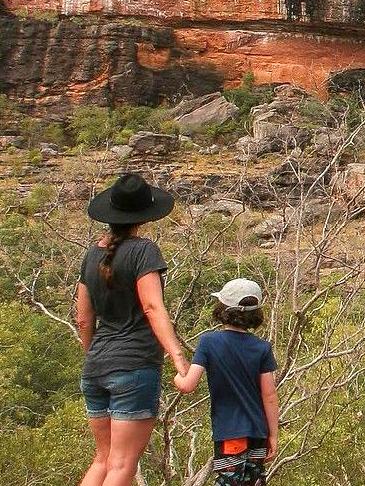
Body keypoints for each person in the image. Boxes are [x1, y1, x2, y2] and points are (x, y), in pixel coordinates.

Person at [76, 173, 189, 486]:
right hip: (134, 365)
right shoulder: (144, 252)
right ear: (143, 216)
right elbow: (153, 307)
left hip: (96, 366)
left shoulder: (91, 254)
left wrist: (94, 355)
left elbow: (83, 318)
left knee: (103, 460)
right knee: (122, 465)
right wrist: (177, 355)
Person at [173, 278, 280, 486]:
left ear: (223, 309)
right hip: (258, 433)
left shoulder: (209, 342)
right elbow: (269, 396)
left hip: (230, 432)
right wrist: (273, 436)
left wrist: (177, 376)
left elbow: (188, 385)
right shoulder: (262, 348)